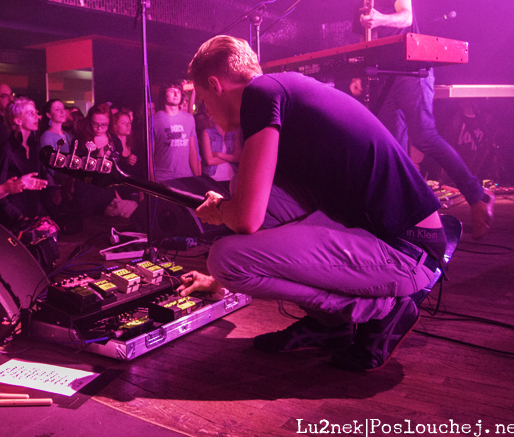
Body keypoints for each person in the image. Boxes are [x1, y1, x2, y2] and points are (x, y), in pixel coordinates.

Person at [178, 36, 447, 371]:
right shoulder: (282, 92)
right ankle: (329, 326)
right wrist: (215, 282)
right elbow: (262, 215)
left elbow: (245, 220)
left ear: (215, 85)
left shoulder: (260, 94)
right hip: (399, 240)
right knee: (250, 194)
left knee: (225, 259)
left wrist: (220, 211)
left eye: (201, 102)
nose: (203, 113)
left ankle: (382, 311)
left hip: (407, 251)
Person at [344, 0, 494, 239]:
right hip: (383, 75)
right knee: (392, 147)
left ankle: (478, 195)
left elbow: (406, 17)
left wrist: (380, 19)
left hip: (411, 71)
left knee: (424, 136)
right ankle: (408, 217)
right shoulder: (358, 3)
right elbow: (366, 46)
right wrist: (357, 73)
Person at [0, 97, 47, 226]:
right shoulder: (6, 149)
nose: (37, 117)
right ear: (18, 120)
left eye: (36, 112)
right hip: (15, 220)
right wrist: (17, 216)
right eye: (31, 113)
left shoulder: (34, 146)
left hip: (34, 214)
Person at [153, 80, 199, 182]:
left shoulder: (189, 119)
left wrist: (198, 178)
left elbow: (192, 151)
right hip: (162, 178)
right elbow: (149, 155)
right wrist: (152, 182)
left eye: (178, 92)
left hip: (185, 177)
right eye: (171, 91)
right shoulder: (154, 120)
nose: (175, 94)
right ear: (164, 95)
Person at [195, 103, 241, 188]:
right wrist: (231, 157)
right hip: (213, 179)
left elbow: (238, 157)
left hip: (232, 177)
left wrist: (218, 154)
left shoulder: (234, 130)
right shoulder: (207, 132)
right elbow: (210, 161)